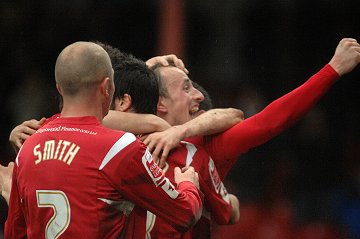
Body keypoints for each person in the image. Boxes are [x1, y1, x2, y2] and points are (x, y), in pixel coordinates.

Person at [5, 41, 203, 239]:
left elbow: (14, 233)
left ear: (59, 88)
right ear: (107, 87)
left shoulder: (28, 147)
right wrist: (188, 184)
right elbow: (185, 213)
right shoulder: (120, 147)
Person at [143, 38, 360, 180]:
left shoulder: (209, 145)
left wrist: (333, 69)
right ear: (160, 102)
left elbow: (269, 121)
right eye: (186, 87)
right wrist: (142, 70)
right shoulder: (129, 139)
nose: (199, 95)